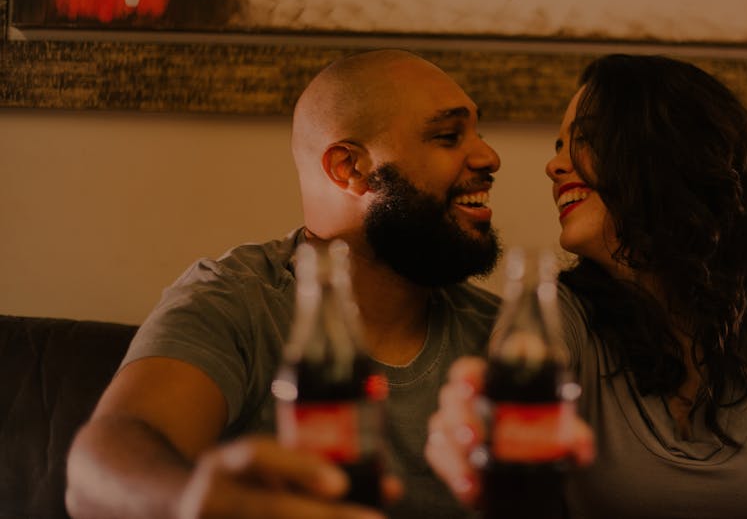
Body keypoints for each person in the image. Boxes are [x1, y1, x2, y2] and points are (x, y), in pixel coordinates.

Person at [426, 54, 747, 518]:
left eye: (585, 139)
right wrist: (479, 427)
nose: (554, 166)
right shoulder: (563, 314)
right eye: (557, 145)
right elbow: (509, 400)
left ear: (667, 153)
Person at [66, 49, 504, 519]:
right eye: (448, 136)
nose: (489, 156)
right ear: (349, 169)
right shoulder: (236, 299)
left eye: (477, 132)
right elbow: (100, 468)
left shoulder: (503, 334)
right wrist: (189, 500)